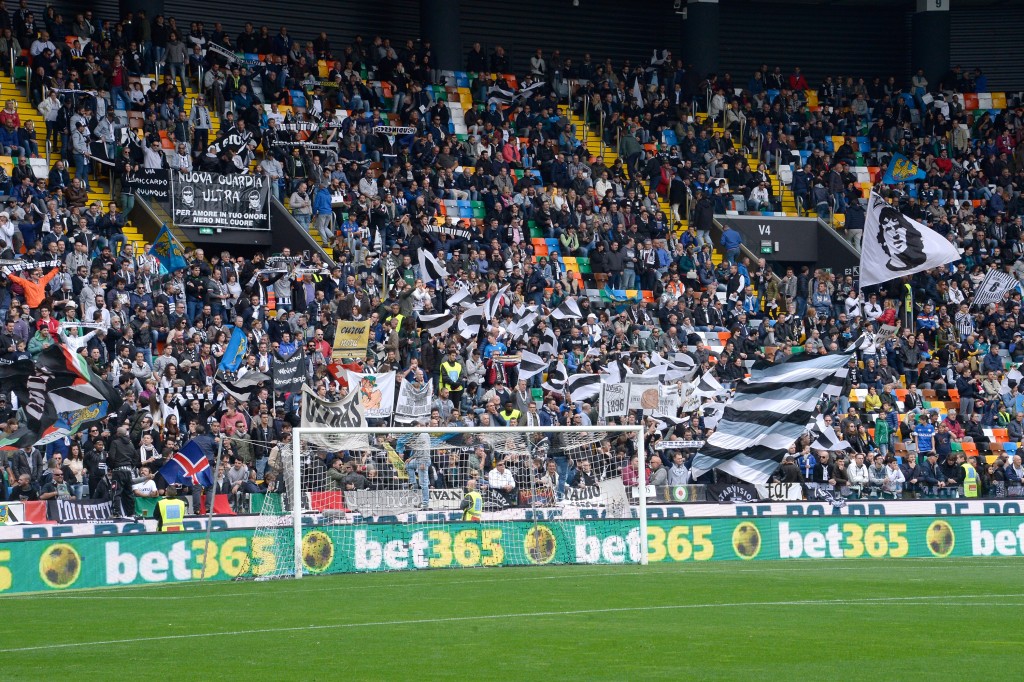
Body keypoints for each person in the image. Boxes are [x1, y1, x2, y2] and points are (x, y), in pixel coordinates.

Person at [107, 426, 139, 518]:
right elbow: (136, 456)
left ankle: (116, 513)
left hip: (118, 471)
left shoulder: (115, 442)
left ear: (118, 433)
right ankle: (131, 513)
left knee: (116, 492)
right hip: (128, 471)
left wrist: (112, 466)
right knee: (129, 493)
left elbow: (111, 457)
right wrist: (131, 465)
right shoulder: (130, 444)